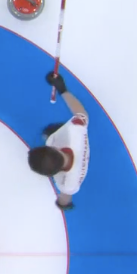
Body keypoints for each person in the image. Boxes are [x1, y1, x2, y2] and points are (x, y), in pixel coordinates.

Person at [28, 72, 90, 211]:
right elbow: (82, 114)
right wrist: (63, 89)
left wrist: (63, 204)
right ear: (55, 148)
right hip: (72, 142)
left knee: (48, 132)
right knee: (50, 131)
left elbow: (66, 196)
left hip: (76, 155)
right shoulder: (75, 132)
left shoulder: (69, 185)